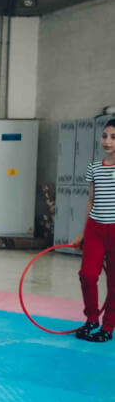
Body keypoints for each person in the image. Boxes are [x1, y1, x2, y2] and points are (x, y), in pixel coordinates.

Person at [72, 119, 115, 343]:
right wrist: (82, 234)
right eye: (105, 136)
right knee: (87, 275)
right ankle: (91, 319)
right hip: (95, 229)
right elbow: (91, 201)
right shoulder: (94, 167)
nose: (107, 141)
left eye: (113, 137)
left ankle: (108, 326)